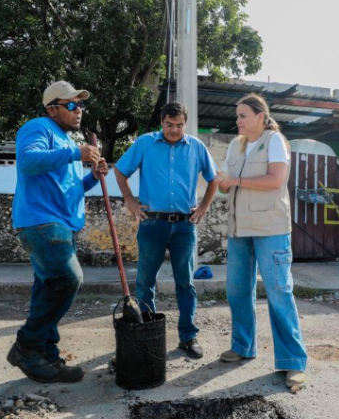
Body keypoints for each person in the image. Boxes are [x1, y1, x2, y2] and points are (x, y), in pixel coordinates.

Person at [8, 81, 108, 383]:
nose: (79, 110)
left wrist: (92, 176)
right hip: (42, 222)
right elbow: (26, 161)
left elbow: (70, 187)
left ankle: (46, 356)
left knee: (47, 289)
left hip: (59, 223)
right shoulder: (39, 127)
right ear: (52, 108)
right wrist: (76, 153)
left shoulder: (64, 140)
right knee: (67, 279)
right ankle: (27, 346)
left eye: (81, 105)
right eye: (72, 105)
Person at [213, 93, 308, 389]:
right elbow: (229, 189)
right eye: (237, 115)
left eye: (243, 115)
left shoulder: (274, 140)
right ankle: (243, 347)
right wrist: (223, 183)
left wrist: (236, 181)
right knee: (238, 289)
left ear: (260, 117)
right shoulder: (235, 144)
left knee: (279, 291)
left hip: (271, 229)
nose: (237, 120)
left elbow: (274, 180)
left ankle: (294, 362)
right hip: (239, 230)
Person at [114, 102, 219, 359]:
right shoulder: (145, 143)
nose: (175, 130)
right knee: (145, 283)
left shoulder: (196, 147)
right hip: (152, 224)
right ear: (162, 122)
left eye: (180, 125)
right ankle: (147, 334)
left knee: (186, 283)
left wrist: (204, 206)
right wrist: (129, 199)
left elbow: (214, 178)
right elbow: (120, 170)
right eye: (170, 125)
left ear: (185, 123)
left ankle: (188, 336)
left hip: (185, 226)